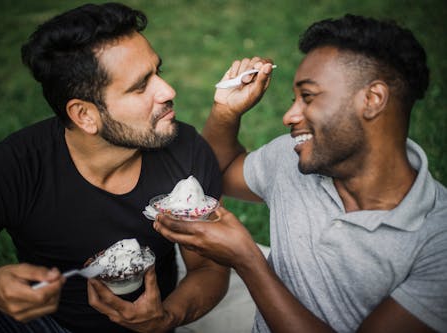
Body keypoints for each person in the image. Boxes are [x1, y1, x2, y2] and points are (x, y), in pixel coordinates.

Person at [0, 3, 233, 333]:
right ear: (85, 115)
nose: (168, 91)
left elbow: (209, 269)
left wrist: (166, 317)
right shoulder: (14, 170)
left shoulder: (185, 151)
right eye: (140, 86)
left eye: (159, 72)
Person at [154, 14, 447, 332]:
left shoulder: (437, 240)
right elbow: (219, 171)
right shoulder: (293, 158)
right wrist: (226, 112)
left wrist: (249, 260)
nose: (289, 116)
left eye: (308, 97)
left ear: (372, 99)